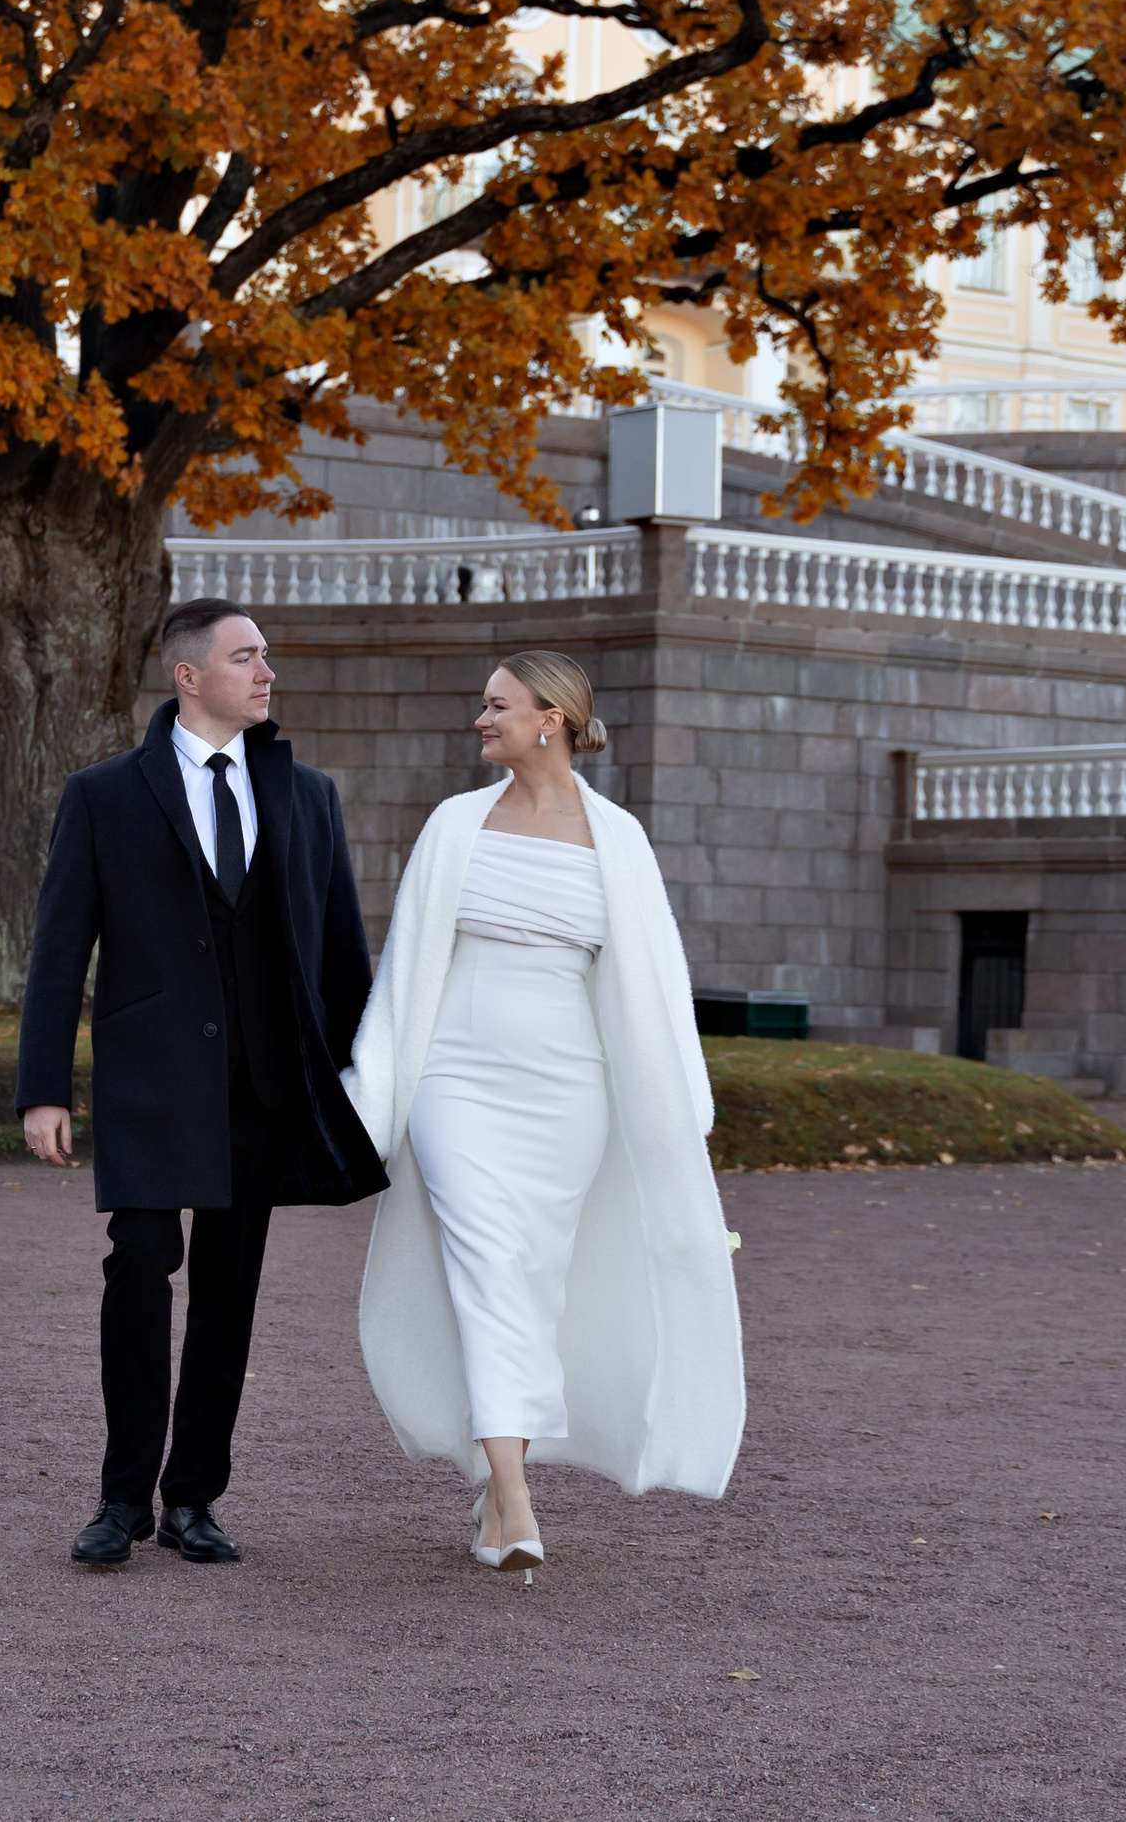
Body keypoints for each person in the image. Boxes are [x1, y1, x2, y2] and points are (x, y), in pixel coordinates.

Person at [342, 652, 744, 1570]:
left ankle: (494, 1488)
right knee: (487, 1263)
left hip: (569, 1089)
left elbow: (653, 987)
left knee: (531, 1281)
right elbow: (407, 969)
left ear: (551, 718)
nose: (481, 719)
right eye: (482, 704)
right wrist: (379, 1084)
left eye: (496, 705)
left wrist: (679, 1107)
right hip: (456, 1079)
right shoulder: (454, 825)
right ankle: (516, 1498)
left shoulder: (619, 838)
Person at [16, 598, 387, 1567]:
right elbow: (60, 950)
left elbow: (341, 949)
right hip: (149, 1078)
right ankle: (118, 1495)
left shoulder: (307, 795)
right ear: (188, 675)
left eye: (266, 656)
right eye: (246, 655)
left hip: (261, 1083)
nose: (267, 672)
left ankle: (193, 1497)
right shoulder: (103, 793)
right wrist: (42, 1087)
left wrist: (366, 1081)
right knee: (139, 1263)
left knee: (230, 1292)